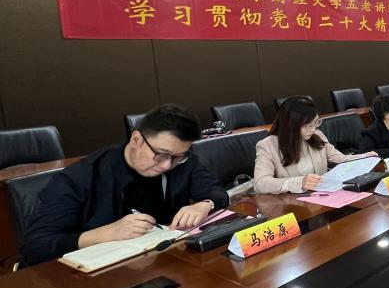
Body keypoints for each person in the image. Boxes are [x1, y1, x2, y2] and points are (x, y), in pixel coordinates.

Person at [20, 104, 228, 267]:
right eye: (161, 154)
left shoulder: (183, 161)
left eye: (177, 157)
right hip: (97, 278)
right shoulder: (79, 178)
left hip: (166, 261)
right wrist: (105, 233)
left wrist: (205, 204)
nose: (167, 165)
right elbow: (35, 247)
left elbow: (217, 192)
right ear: (136, 140)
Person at [255, 97, 368, 194]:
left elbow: (340, 158)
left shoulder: (317, 135)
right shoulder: (267, 145)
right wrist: (299, 182)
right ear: (290, 125)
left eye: (316, 123)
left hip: (321, 197)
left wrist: (366, 157)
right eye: (307, 126)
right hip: (290, 204)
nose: (313, 129)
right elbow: (260, 183)